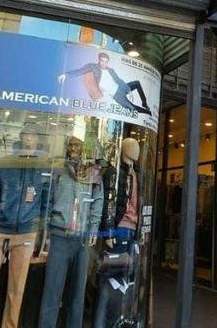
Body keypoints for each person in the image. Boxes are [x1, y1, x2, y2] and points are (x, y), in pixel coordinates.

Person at [0, 123, 50, 328]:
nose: (29, 139)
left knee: (16, 291)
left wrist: (42, 236)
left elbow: (46, 205)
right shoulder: (4, 164)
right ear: (21, 137)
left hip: (27, 233)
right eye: (26, 134)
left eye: (33, 135)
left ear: (38, 139)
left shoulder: (44, 167)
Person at [38, 136, 104, 328]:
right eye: (71, 145)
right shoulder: (58, 168)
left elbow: (97, 201)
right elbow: (47, 198)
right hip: (59, 235)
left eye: (77, 145)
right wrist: (45, 230)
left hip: (82, 237)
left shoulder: (93, 171)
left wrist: (93, 228)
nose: (73, 148)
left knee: (77, 294)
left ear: (84, 148)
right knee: (52, 291)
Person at [94, 138, 141, 328]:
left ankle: (117, 320)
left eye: (137, 146)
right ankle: (101, 323)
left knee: (125, 279)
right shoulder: (115, 172)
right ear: (124, 149)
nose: (137, 150)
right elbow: (109, 202)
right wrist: (108, 232)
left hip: (132, 231)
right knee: (110, 277)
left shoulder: (137, 173)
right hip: (119, 229)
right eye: (132, 146)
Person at [58, 52, 151, 116]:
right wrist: (66, 75)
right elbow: (80, 71)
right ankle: (148, 113)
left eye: (106, 62)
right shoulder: (92, 67)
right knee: (132, 108)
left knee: (137, 83)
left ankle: (144, 102)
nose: (104, 64)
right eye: (102, 61)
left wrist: (128, 90)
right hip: (116, 95)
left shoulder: (110, 70)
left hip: (120, 88)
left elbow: (118, 80)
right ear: (98, 60)